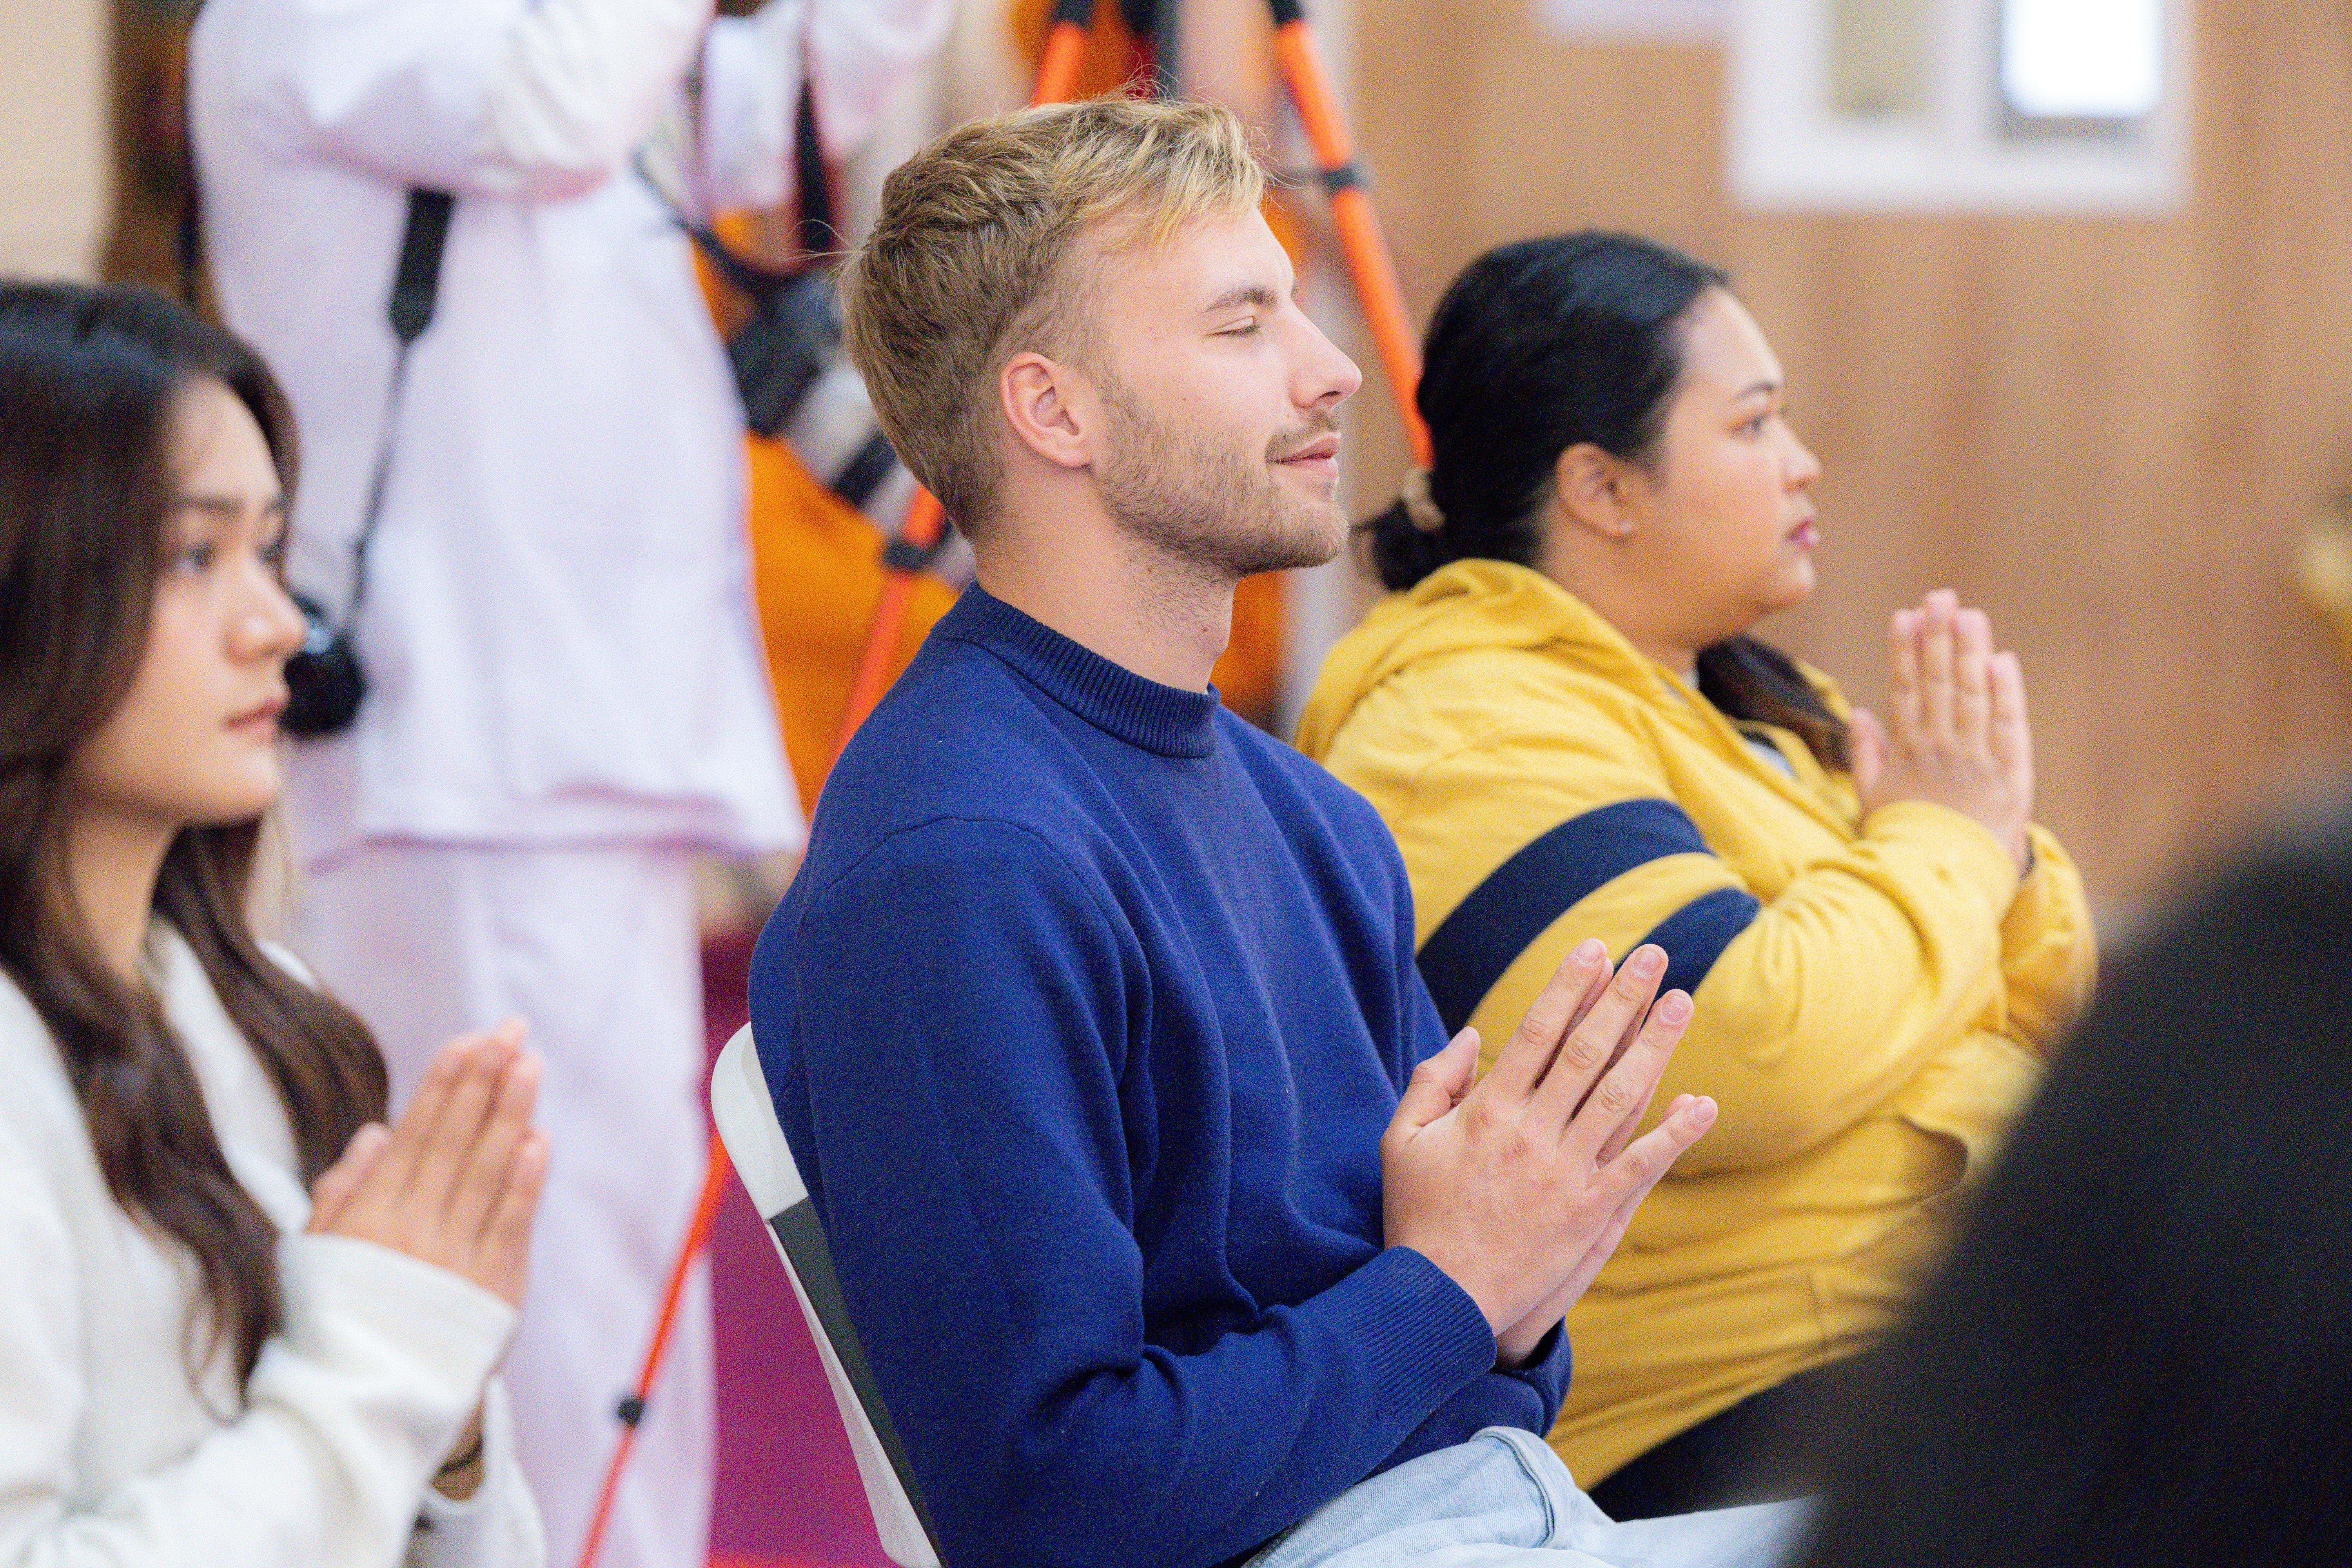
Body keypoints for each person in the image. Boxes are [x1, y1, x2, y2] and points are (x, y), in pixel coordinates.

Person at [748, 97, 1804, 1568]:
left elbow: (1496, 1361)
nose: (1336, 370)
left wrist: (1505, 1268)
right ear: (1055, 412)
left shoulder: (1316, 822)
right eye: (1246, 326)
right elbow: (1050, 1503)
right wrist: (1450, 1285)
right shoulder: (957, 865)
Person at [185, 2, 947, 1563]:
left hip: (562, 741)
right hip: (466, 748)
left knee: (603, 1266)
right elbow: (558, 106)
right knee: (548, 1281)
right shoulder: (314, 22)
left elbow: (763, 107)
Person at [1292, 232, 2098, 1516]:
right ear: (1603, 487)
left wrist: (1961, 847)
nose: (1803, 463)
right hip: (1736, 1415)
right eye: (1756, 425)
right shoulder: (1458, 720)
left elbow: (2036, 1002)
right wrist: (1954, 840)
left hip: (1941, 1340)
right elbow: (1748, 1041)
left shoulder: (1747, 699)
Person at [0, 280, 547, 1566]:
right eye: (195, 556)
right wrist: (377, 1367)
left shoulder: (238, 997)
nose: (280, 628)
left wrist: (449, 1426)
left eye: (268, 550)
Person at [1790, 811, 2352, 1567]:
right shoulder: (2285, 977)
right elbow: (1768, 1041)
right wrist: (1952, 827)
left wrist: (1984, 838)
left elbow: (2048, 991)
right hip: (1785, 1375)